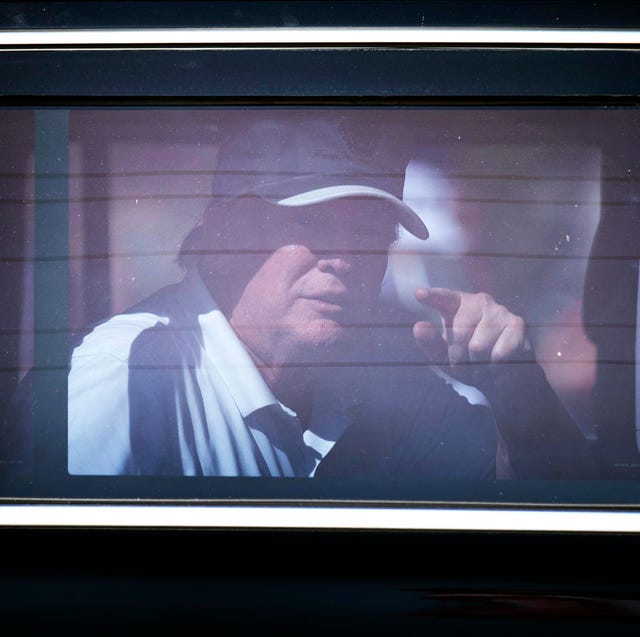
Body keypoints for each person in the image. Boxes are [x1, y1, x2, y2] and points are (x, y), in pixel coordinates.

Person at [66, 110, 597, 482]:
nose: (345, 259)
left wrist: (520, 395)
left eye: (369, 233)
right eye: (312, 223)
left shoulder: (394, 383)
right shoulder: (126, 379)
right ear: (226, 236)